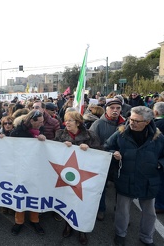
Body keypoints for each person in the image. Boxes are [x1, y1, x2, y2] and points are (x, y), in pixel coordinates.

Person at [105, 106, 164, 246]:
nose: (132, 123)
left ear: (148, 122)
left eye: (137, 121)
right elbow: (107, 146)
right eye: (131, 119)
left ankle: (146, 238)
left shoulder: (158, 137)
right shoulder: (121, 133)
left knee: (150, 213)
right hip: (126, 178)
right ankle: (120, 234)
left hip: (149, 180)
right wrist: (114, 153)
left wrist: (160, 164)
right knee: (122, 211)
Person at [54, 111, 101, 245]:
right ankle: (68, 225)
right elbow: (52, 151)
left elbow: (100, 152)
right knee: (68, 200)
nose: (66, 123)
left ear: (78, 123)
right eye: (66, 121)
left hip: (84, 176)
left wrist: (90, 148)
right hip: (66, 175)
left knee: (83, 202)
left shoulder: (90, 135)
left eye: (70, 121)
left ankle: (82, 229)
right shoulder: (60, 134)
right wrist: (61, 147)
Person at [9, 110, 46, 236]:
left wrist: (44, 140)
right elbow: (10, 149)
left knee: (35, 192)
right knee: (20, 193)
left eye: (42, 122)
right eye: (39, 122)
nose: (42, 124)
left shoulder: (42, 129)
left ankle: (34, 220)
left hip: (36, 167)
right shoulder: (17, 132)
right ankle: (19, 221)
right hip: (21, 168)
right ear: (31, 121)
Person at [89, 99, 125, 221]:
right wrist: (110, 153)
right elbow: (93, 145)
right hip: (102, 161)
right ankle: (101, 209)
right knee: (101, 187)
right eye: (112, 108)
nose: (115, 110)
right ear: (106, 109)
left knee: (120, 189)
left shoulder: (126, 124)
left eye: (118, 108)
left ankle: (120, 212)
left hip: (120, 162)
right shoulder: (98, 124)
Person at [153, 102, 164, 214]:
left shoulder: (158, 124)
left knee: (160, 182)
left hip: (160, 158)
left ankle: (160, 205)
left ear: (155, 112)